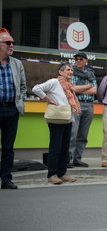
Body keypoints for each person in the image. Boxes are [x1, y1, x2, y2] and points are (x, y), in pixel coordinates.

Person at [32, 63, 87, 184]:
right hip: (57, 118)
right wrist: (46, 98)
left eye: (72, 70)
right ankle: (52, 174)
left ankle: (62, 173)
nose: (71, 72)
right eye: (68, 69)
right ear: (60, 72)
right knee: (55, 148)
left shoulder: (69, 85)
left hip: (67, 118)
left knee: (64, 148)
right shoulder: (54, 82)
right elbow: (36, 88)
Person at [0, 28, 26, 190]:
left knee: (8, 147)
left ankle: (6, 179)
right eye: (8, 42)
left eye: (13, 43)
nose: (11, 45)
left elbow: (23, 87)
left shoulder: (17, 63)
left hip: (11, 109)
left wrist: (20, 101)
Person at [68, 52, 97, 167]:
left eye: (81, 59)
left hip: (89, 106)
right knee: (73, 133)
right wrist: (88, 86)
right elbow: (72, 89)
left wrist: (81, 89)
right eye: (76, 59)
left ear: (86, 61)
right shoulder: (72, 72)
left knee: (83, 135)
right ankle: (69, 159)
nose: (78, 61)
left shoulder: (91, 74)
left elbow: (95, 91)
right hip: (76, 104)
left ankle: (77, 159)